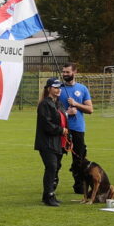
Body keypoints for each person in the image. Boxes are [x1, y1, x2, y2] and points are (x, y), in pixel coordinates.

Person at [58, 62, 93, 194]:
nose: (65, 74)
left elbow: (90, 109)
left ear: (75, 72)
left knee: (79, 159)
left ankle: (79, 186)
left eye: (67, 72)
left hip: (78, 129)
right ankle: (52, 185)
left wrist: (76, 104)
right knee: (56, 158)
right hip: (61, 130)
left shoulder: (82, 89)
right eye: (63, 72)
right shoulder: (58, 88)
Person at [35, 77, 69, 207]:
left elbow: (63, 119)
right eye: (55, 87)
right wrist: (61, 130)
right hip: (47, 142)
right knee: (51, 167)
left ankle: (49, 194)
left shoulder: (58, 103)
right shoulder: (44, 104)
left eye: (59, 87)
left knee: (56, 168)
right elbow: (46, 124)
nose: (58, 90)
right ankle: (49, 195)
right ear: (49, 89)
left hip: (58, 141)